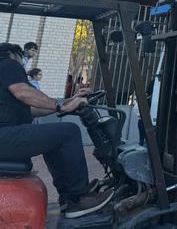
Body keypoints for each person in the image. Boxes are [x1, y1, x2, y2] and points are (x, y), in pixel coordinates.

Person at [0, 42, 112, 218]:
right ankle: (78, 198)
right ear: (12, 54)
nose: (23, 62)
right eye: (21, 57)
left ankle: (68, 197)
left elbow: (30, 109)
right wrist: (60, 107)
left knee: (54, 138)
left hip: (5, 136)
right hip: (4, 137)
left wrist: (65, 104)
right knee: (69, 132)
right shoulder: (7, 63)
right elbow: (23, 93)